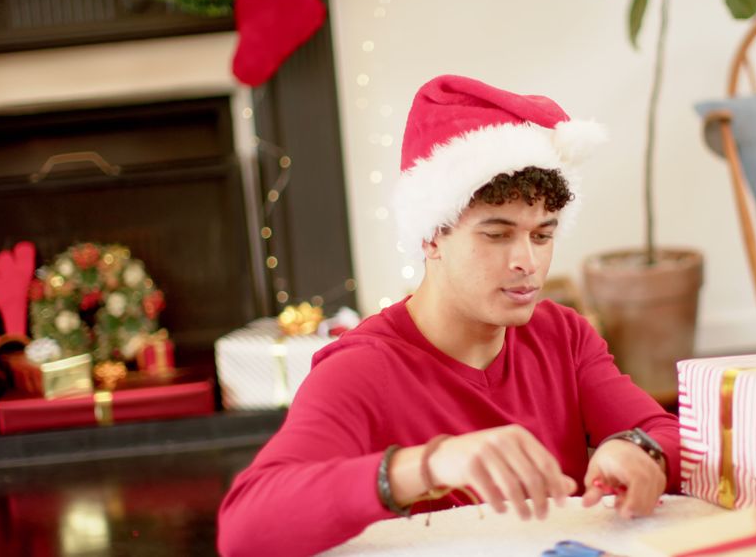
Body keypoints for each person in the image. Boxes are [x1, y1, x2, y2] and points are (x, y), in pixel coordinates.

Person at [218, 75, 682, 556]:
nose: (527, 260)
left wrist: (637, 451)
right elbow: (244, 528)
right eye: (497, 235)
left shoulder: (562, 336)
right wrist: (427, 466)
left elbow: (665, 431)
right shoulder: (360, 368)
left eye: (542, 235)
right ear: (431, 236)